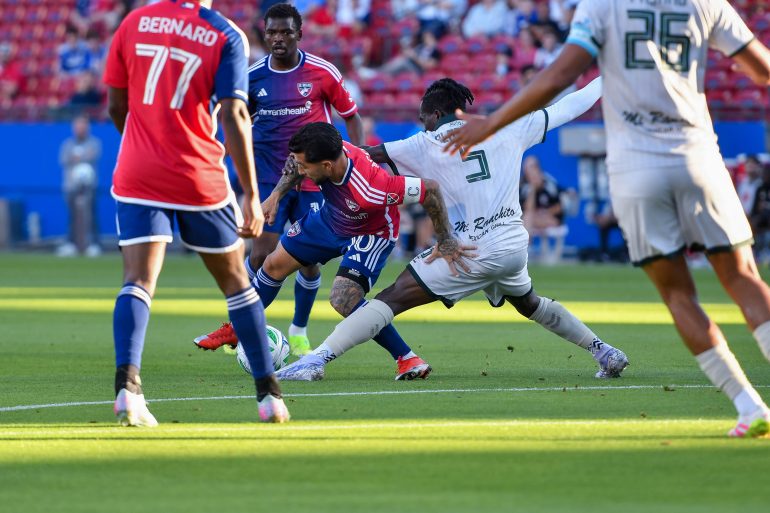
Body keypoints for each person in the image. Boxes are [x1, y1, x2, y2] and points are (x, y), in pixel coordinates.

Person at [443, 0, 770, 438]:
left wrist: (493, 123)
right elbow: (761, 70)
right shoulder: (706, 2)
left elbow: (560, 75)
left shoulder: (602, 5)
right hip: (699, 155)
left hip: (636, 167)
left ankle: (749, 405)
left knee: (678, 294)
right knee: (744, 278)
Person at [277, 77, 629, 382]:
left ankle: (315, 360)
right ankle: (604, 351)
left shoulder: (423, 143)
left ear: (432, 115)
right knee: (529, 303)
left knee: (391, 298)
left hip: (470, 249)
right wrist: (607, 78)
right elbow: (571, 105)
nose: (422, 125)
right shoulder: (508, 125)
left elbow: (366, 155)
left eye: (422, 119)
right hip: (512, 244)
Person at [103, 0, 289, 425]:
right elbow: (236, 114)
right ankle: (269, 397)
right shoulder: (225, 34)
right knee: (237, 284)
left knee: (137, 281)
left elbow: (116, 105)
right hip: (195, 174)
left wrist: (142, 146)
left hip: (137, 172)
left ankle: (128, 391)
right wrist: (249, 193)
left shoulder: (133, 22)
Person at [198, 122, 465, 381]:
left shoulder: (372, 188)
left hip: (370, 233)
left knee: (343, 299)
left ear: (326, 166)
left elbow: (430, 189)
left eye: (305, 166)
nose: (299, 168)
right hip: (330, 219)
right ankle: (238, 328)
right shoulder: (325, 152)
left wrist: (446, 239)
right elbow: (293, 164)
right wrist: (276, 195)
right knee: (272, 265)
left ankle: (407, 357)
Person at [193, 3, 366, 357]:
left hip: (315, 182)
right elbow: (237, 120)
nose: (278, 39)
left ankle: (299, 330)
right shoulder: (253, 77)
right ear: (264, 34)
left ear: (299, 34)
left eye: (286, 32)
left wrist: (355, 159)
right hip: (271, 180)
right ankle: (236, 327)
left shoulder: (322, 73)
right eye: (272, 32)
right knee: (259, 253)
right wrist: (215, 151)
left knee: (308, 259)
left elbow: (351, 116)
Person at [58, 114, 101, 257]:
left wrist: (78, 158)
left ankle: (93, 244)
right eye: (78, 126)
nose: (80, 129)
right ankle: (71, 244)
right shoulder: (67, 144)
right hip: (71, 186)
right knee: (72, 216)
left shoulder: (94, 143)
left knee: (91, 215)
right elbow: (64, 159)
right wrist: (79, 158)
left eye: (83, 126)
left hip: (90, 186)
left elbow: (92, 155)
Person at [520, 155, 568, 263]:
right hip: (531, 220)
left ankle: (525, 249)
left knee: (528, 218)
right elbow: (527, 209)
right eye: (527, 169)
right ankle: (526, 248)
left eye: (532, 168)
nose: (530, 172)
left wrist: (546, 212)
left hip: (550, 219)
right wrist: (532, 189)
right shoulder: (524, 186)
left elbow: (560, 206)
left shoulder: (549, 184)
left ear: (538, 169)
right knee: (527, 217)